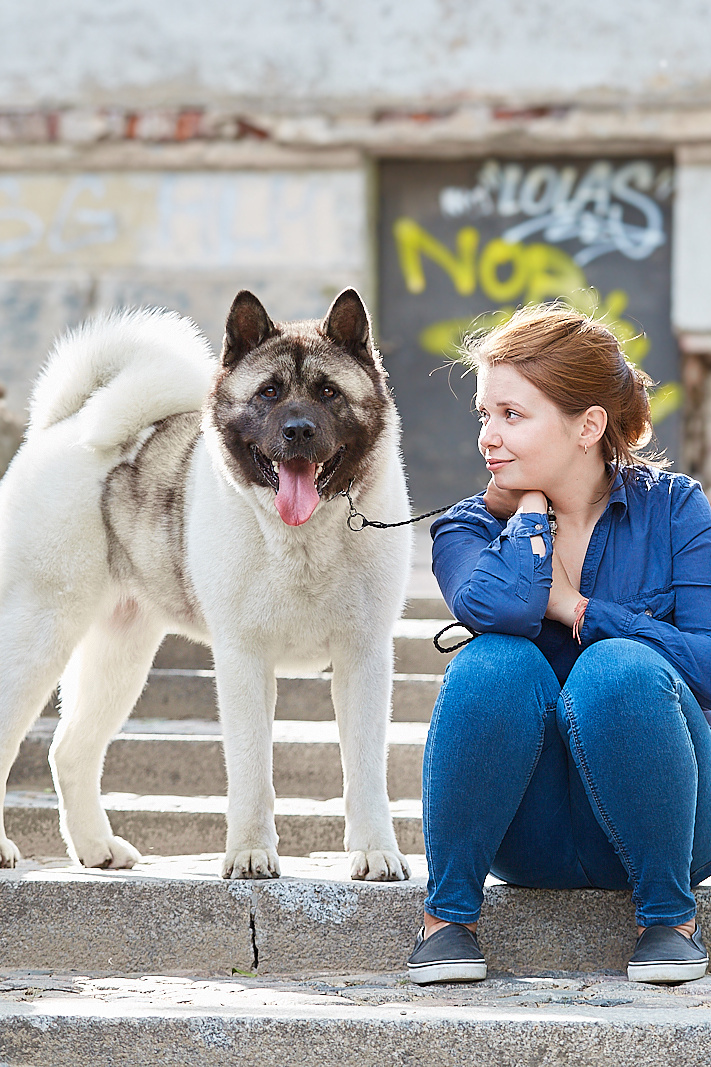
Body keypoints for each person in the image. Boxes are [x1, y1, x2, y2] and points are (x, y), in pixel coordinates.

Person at [407, 303, 711, 986]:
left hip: (668, 819)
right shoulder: (466, 527)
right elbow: (500, 606)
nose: (488, 435)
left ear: (588, 425)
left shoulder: (675, 508)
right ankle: (446, 920)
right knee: (494, 659)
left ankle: (668, 917)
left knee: (618, 667)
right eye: (483, 414)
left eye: (511, 415)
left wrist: (580, 609)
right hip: (529, 831)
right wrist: (533, 514)